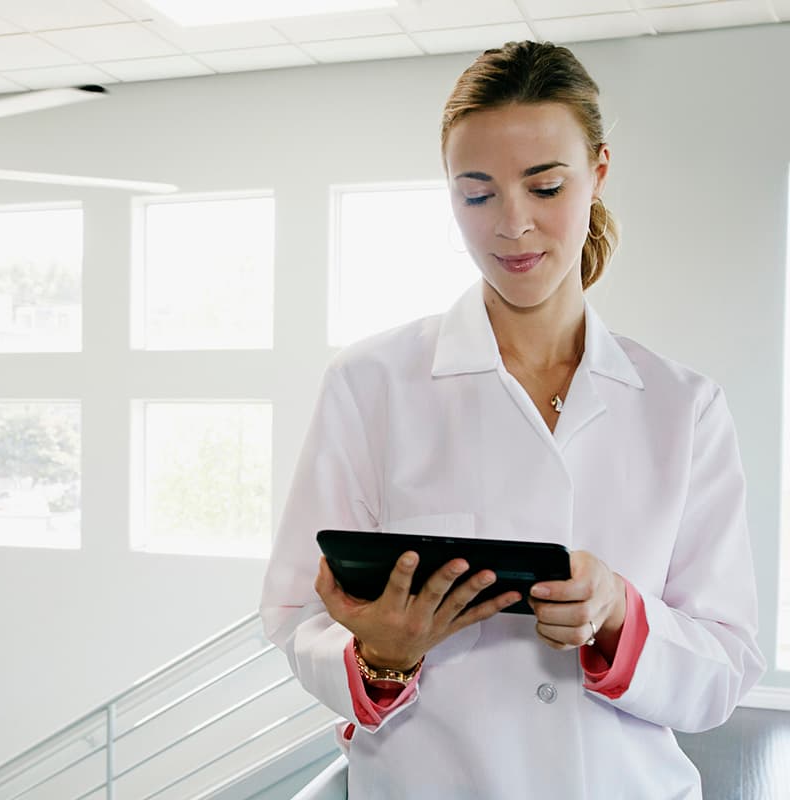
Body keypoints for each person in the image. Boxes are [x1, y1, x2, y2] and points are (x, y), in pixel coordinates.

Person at [260, 41, 765, 799]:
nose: (513, 225)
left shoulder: (682, 406)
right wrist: (381, 656)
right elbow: (301, 613)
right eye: (477, 193)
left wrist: (617, 613)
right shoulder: (371, 385)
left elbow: (723, 671)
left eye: (545, 185)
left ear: (597, 172)